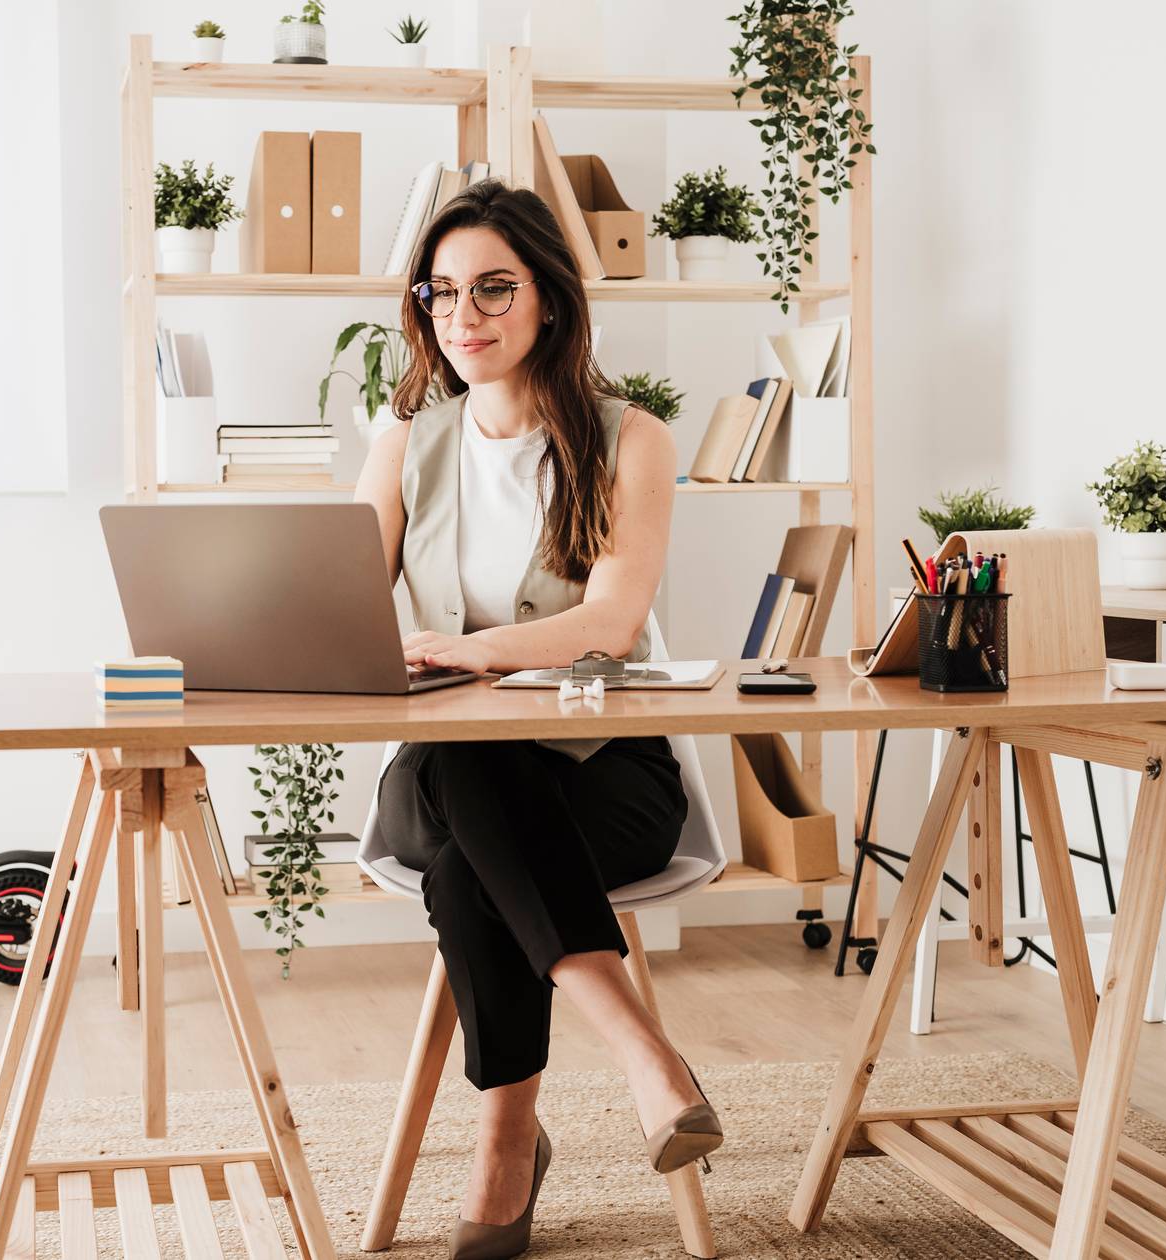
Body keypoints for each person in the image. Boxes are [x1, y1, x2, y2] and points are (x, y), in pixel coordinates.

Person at [353, 179, 719, 1260]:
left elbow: (611, 615)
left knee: (478, 856)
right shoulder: (406, 440)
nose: (462, 316)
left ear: (547, 301)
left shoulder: (626, 439)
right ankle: (644, 1055)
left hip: (608, 775)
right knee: (475, 763)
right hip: (443, 773)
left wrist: (469, 650)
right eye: (440, 294)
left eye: (492, 289)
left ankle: (505, 1142)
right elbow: (339, 593)